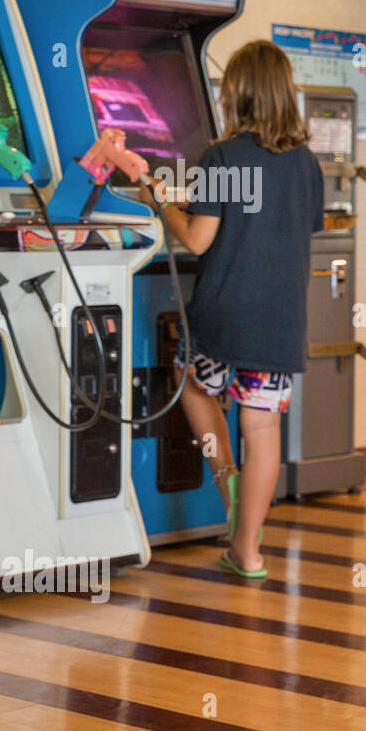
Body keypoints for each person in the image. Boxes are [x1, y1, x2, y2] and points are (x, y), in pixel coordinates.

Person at [137, 40, 323, 579]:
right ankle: (249, 551)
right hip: (281, 320)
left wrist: (160, 200)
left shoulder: (222, 156)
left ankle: (227, 479)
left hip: (224, 313)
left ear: (237, 93)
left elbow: (196, 239)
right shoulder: (307, 164)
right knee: (262, 428)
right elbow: (295, 229)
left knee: (191, 383)